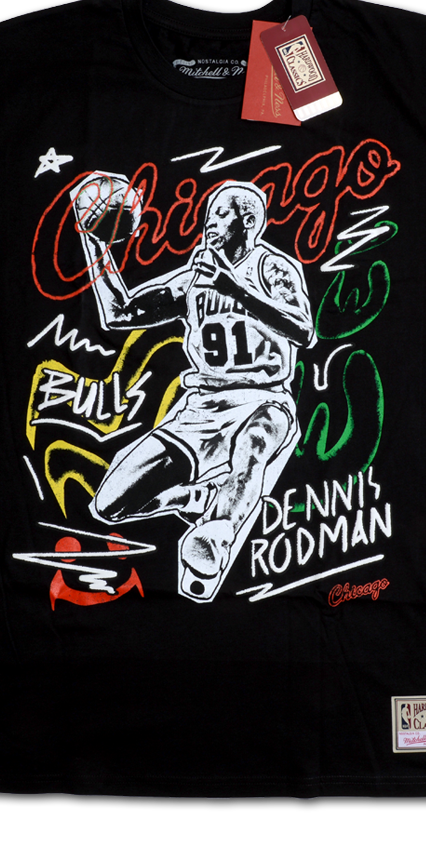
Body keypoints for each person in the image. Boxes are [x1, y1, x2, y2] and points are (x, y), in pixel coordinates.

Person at [71, 172, 317, 602]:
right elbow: (120, 313)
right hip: (201, 406)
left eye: (221, 214)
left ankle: (219, 532)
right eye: (208, 216)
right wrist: (95, 244)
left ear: (249, 222)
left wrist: (233, 287)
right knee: (109, 505)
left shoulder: (272, 267)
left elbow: (303, 330)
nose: (209, 223)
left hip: (263, 399)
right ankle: (195, 498)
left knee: (253, 445)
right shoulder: (194, 278)